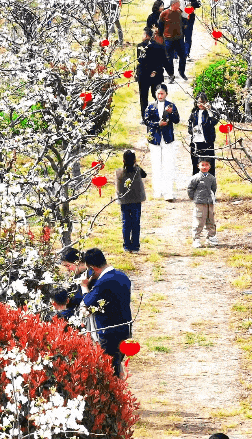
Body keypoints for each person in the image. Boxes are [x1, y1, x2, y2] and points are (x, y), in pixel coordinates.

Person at [80, 248, 133, 378]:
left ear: (92, 268)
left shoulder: (104, 282)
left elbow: (88, 301)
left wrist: (84, 286)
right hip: (124, 328)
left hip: (109, 332)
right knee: (117, 364)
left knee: (109, 371)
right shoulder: (122, 276)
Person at [143, 84, 180, 201]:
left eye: (162, 93)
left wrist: (170, 113)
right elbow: (146, 121)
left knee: (168, 165)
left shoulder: (171, 105)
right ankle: (157, 190)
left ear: (166, 94)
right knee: (156, 165)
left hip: (168, 138)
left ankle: (168, 192)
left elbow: (177, 120)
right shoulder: (151, 106)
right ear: (155, 94)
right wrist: (157, 124)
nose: (160, 95)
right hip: (155, 139)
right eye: (158, 93)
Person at [115, 150, 147, 253]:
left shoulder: (118, 172)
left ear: (123, 161)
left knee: (126, 223)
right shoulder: (137, 171)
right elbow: (144, 174)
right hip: (136, 201)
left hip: (124, 201)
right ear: (134, 160)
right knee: (135, 223)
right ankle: (135, 246)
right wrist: (136, 164)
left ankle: (126, 246)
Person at [136, 27, 167, 120]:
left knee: (143, 97)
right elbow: (163, 61)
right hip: (156, 74)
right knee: (157, 95)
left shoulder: (140, 46)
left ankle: (144, 117)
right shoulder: (160, 46)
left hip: (144, 74)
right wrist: (155, 70)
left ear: (146, 35)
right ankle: (159, 114)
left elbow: (140, 60)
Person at [187, 159, 217, 248]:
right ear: (198, 166)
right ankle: (196, 239)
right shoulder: (195, 178)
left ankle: (211, 237)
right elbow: (190, 189)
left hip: (210, 203)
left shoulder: (212, 178)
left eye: (206, 165)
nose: (204, 167)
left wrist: (211, 198)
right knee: (199, 220)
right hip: (200, 203)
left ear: (209, 167)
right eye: (202, 165)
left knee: (210, 219)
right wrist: (194, 198)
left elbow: (214, 189)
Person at [187, 92, 219, 176]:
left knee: (209, 165)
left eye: (202, 102)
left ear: (206, 102)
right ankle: (196, 185)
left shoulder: (210, 112)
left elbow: (215, 121)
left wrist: (209, 109)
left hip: (207, 142)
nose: (200, 104)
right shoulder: (194, 113)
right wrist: (193, 130)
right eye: (198, 102)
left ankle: (210, 185)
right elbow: (189, 128)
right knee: (196, 165)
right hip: (195, 142)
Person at [158, 0, 189, 83]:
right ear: (173, 4)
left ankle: (181, 72)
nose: (179, 4)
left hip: (179, 38)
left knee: (183, 56)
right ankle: (171, 75)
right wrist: (161, 37)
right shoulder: (164, 13)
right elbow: (160, 26)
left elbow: (184, 20)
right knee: (169, 58)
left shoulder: (179, 12)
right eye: (178, 3)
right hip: (168, 39)